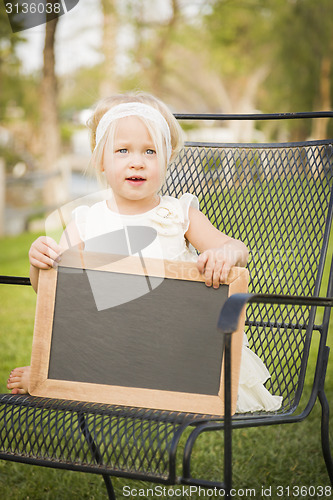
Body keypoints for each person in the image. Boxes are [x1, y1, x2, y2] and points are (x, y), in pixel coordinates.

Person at [7, 92, 282, 413]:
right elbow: (52, 290)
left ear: (166, 159)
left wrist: (225, 254)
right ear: (100, 160)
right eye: (122, 150)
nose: (136, 161)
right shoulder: (85, 221)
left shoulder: (180, 214)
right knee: (87, 329)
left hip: (172, 344)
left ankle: (62, 378)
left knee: (165, 347)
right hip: (114, 340)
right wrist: (38, 262)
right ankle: (54, 376)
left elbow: (237, 248)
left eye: (150, 151)